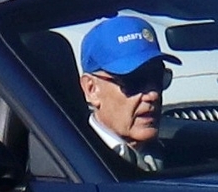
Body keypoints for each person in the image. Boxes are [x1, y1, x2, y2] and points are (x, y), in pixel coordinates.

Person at [76, 14, 178, 172]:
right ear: (91, 89)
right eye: (134, 80)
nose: (153, 95)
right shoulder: (74, 163)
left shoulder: (177, 156)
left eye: (158, 78)